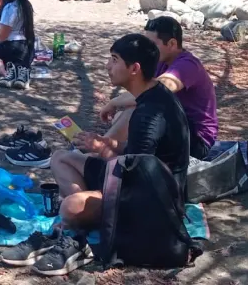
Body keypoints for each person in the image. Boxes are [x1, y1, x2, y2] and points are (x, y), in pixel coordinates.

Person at [48, 34, 190, 232]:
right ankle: (94, 208)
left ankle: (96, 214)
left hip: (152, 200)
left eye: (114, 60)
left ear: (134, 69)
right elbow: (136, 152)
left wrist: (102, 149)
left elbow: (139, 176)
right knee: (60, 158)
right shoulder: (153, 95)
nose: (108, 66)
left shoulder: (149, 115)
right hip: (135, 181)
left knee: (70, 207)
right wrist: (107, 143)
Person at [95, 16, 218, 159]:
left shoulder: (188, 65)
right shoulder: (161, 61)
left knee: (133, 112)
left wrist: (113, 102)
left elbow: (152, 93)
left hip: (197, 140)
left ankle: (98, 152)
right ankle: (112, 153)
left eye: (153, 44)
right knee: (122, 117)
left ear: (172, 43)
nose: (148, 49)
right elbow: (141, 90)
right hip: (174, 128)